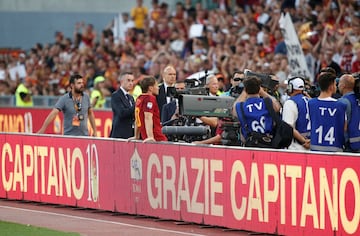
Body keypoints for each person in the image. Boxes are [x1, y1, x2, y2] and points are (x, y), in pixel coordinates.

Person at [233, 76, 281, 145]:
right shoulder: (267, 103)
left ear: (246, 90)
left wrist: (244, 92)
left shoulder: (241, 106)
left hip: (249, 143)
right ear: (259, 89)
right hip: (268, 142)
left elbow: (234, 111)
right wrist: (263, 92)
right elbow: (277, 107)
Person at [308, 72, 346, 152]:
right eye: (335, 84)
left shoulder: (311, 103)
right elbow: (344, 128)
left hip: (315, 148)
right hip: (335, 149)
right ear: (331, 87)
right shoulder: (340, 105)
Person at [132, 76, 167, 142]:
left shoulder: (139, 98)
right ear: (150, 88)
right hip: (156, 136)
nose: (158, 87)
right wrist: (150, 136)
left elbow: (137, 118)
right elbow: (148, 117)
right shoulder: (150, 98)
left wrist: (136, 136)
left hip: (145, 136)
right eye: (156, 85)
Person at [282, 77, 311, 150]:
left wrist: (303, 141)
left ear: (291, 87)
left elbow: (288, 127)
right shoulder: (310, 100)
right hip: (311, 143)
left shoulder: (290, 102)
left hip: (297, 146)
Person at [338, 74, 360, 152]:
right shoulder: (357, 99)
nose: (338, 86)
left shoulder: (343, 102)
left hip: (350, 144)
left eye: (339, 83)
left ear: (343, 85)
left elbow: (342, 125)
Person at [110, 72, 135, 139]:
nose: (131, 83)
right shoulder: (116, 95)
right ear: (121, 81)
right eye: (128, 80)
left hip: (130, 133)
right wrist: (136, 107)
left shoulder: (131, 97)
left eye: (132, 81)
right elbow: (121, 113)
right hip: (119, 134)